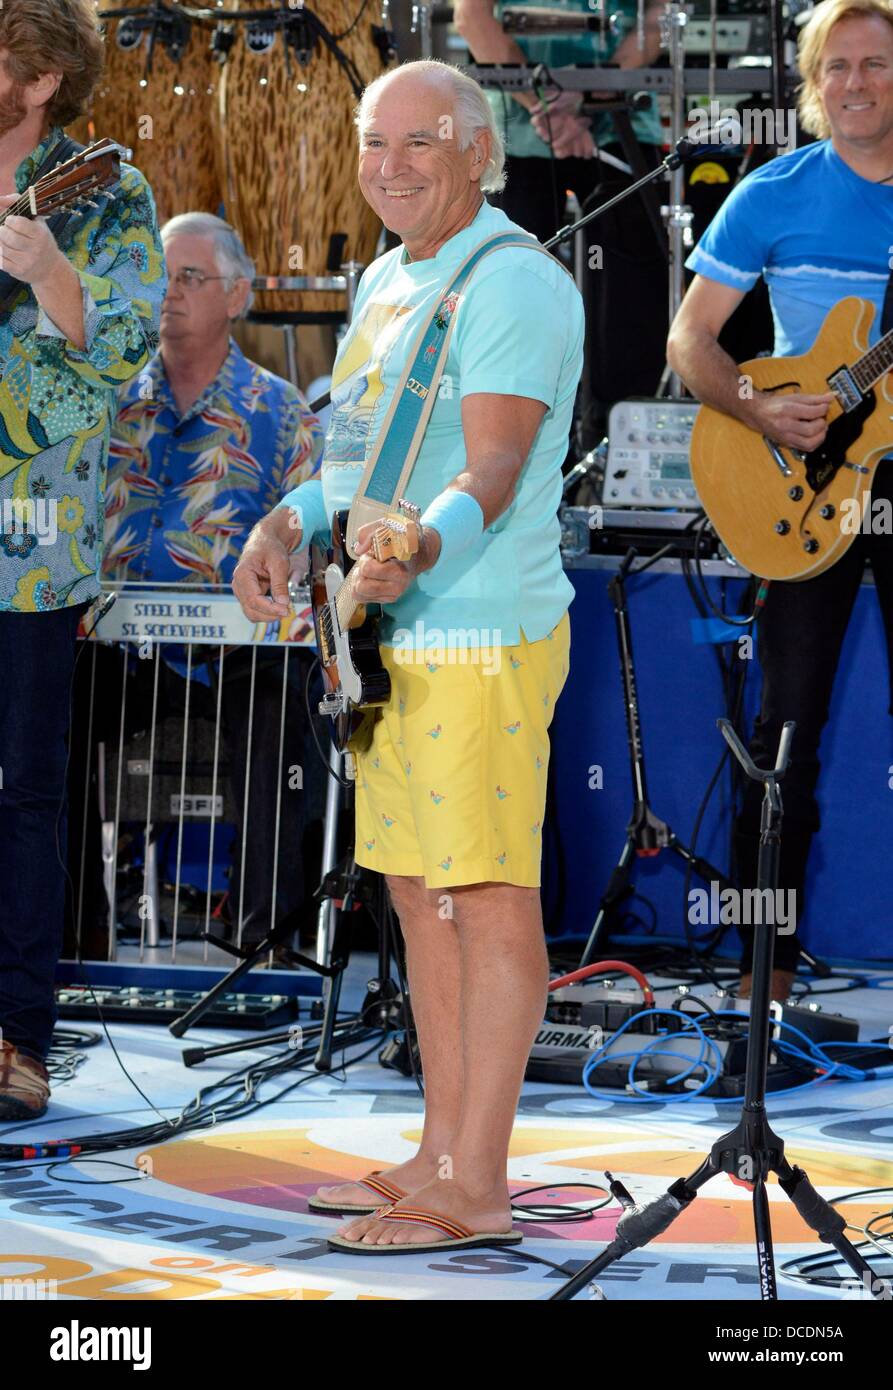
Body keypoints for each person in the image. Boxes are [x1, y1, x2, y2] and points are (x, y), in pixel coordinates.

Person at [233, 59, 584, 1251]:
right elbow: (355, 463)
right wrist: (285, 524)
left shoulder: (514, 283)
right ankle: (437, 1151)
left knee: (484, 903)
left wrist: (415, 548)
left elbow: (484, 470)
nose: (386, 166)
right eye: (373, 143)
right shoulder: (388, 276)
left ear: (476, 150)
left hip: (480, 635)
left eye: (415, 143)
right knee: (415, 899)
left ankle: (476, 1183)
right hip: (383, 641)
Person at [667, 0, 893, 1001]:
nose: (854, 83)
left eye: (876, 65)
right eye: (835, 66)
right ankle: (766, 968)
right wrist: (761, 411)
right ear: (811, 83)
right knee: (782, 735)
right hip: (804, 481)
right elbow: (688, 341)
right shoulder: (771, 192)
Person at [67, 214, 324, 955]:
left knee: (283, 705)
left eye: (190, 278)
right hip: (120, 650)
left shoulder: (283, 415)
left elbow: (316, 538)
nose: (169, 295)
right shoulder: (106, 404)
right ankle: (67, 948)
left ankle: (258, 954)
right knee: (46, 699)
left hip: (237, 654)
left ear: (237, 295)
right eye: (159, 278)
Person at [0, 0, 166, 1118]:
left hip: (28, 546)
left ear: (40, 77)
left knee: (21, 792)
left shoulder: (102, 190)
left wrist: (50, 270)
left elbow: (124, 348)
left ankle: (15, 1039)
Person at [455, 0, 666, 438]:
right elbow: (472, 17)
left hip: (620, 121)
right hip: (519, 133)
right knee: (511, 297)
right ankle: (510, 443)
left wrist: (584, 96)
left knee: (628, 299)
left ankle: (619, 443)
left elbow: (661, 17)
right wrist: (546, 103)